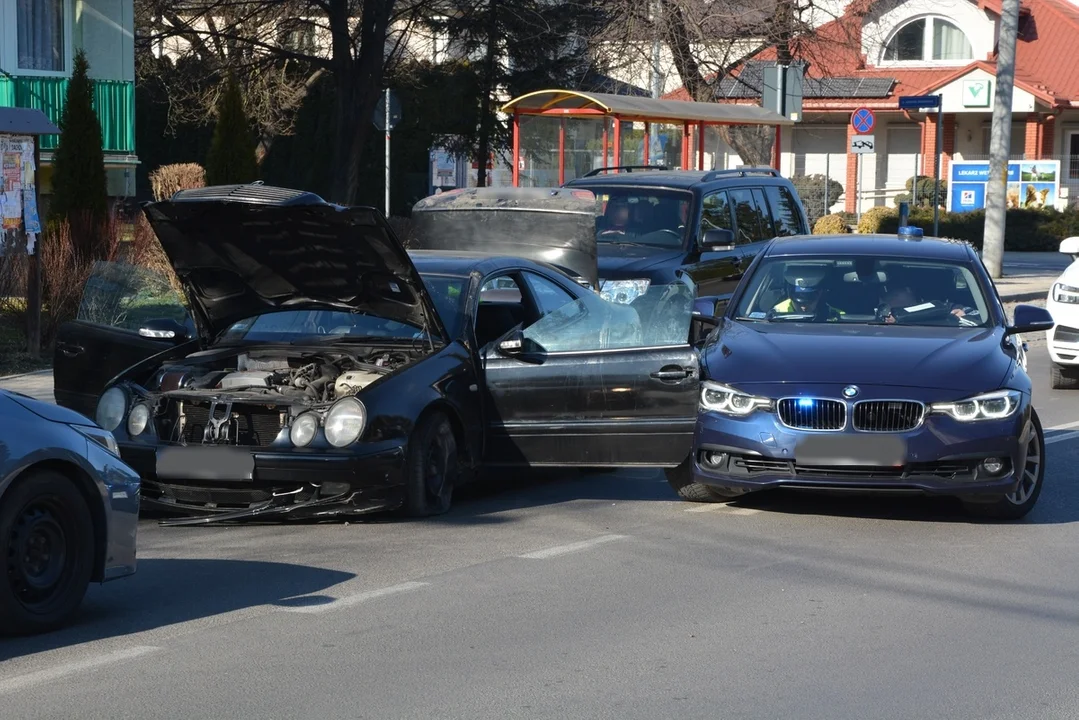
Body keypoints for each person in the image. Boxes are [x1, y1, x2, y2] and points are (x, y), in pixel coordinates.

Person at [772, 266, 844, 321]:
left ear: (819, 293)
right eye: (798, 302)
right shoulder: (776, 314)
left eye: (809, 301)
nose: (803, 306)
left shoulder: (836, 316)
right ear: (789, 295)